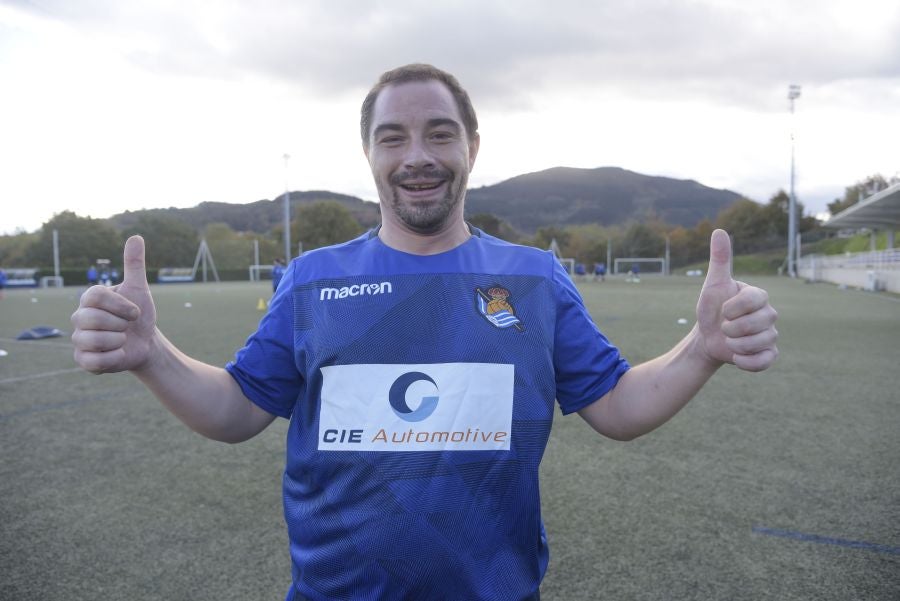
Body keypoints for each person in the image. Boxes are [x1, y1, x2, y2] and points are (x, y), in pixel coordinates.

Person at [70, 64, 778, 601]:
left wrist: (703, 348)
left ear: (471, 144)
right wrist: (151, 356)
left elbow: (619, 405)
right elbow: (236, 408)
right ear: (370, 155)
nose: (418, 155)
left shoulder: (533, 278)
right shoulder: (314, 279)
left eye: (439, 132)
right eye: (393, 137)